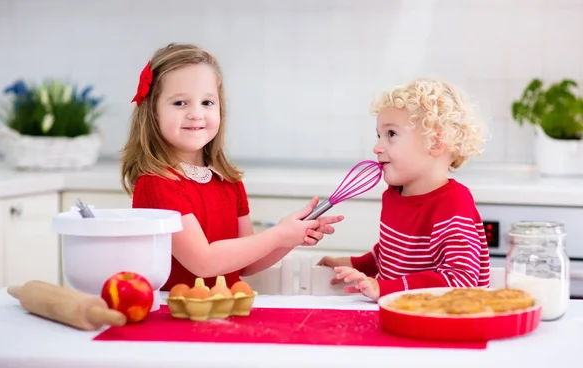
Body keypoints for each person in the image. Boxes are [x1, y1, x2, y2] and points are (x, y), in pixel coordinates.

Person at [121, 43, 343, 289]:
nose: (196, 113)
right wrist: (278, 234)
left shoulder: (228, 181)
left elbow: (245, 264)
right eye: (180, 103)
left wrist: (292, 235)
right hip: (174, 316)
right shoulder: (158, 183)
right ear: (152, 112)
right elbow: (203, 261)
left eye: (207, 102)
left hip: (221, 312)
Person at [318, 78, 490, 301]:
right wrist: (353, 265)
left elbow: (460, 279)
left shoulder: (453, 204)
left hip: (439, 320)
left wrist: (384, 289)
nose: (377, 147)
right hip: (400, 313)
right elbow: (392, 254)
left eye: (391, 134)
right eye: (379, 135)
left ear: (435, 141)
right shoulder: (394, 194)